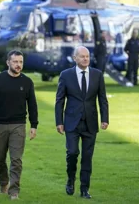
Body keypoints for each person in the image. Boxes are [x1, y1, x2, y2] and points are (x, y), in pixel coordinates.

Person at [0, 50, 38, 200]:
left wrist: (34, 125)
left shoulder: (27, 82)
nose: (18, 65)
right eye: (15, 62)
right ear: (8, 63)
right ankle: (3, 182)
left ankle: (14, 191)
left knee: (16, 160)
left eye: (20, 62)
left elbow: (32, 105)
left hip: (18, 126)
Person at [55, 46, 109, 199]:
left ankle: (84, 189)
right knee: (72, 153)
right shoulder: (66, 75)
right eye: (82, 56)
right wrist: (59, 121)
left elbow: (102, 99)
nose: (86, 59)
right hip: (71, 123)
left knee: (87, 157)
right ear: (75, 58)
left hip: (90, 123)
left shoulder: (98, 75)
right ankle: (70, 180)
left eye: (87, 56)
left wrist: (105, 118)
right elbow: (60, 100)